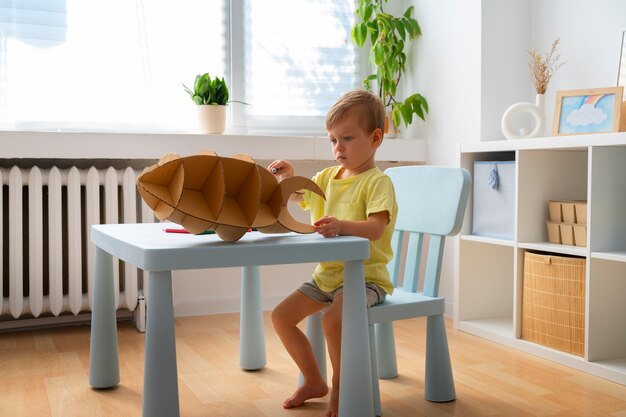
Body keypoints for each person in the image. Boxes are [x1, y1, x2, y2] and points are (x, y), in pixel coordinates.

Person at [268, 89, 398, 417]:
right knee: (280, 317)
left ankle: (342, 386)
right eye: (332, 140)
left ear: (376, 138)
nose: (338, 148)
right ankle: (314, 380)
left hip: (365, 278)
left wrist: (341, 224)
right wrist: (287, 177)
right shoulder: (327, 177)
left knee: (333, 321)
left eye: (347, 138)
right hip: (326, 276)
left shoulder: (376, 182)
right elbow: (299, 196)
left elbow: (376, 228)